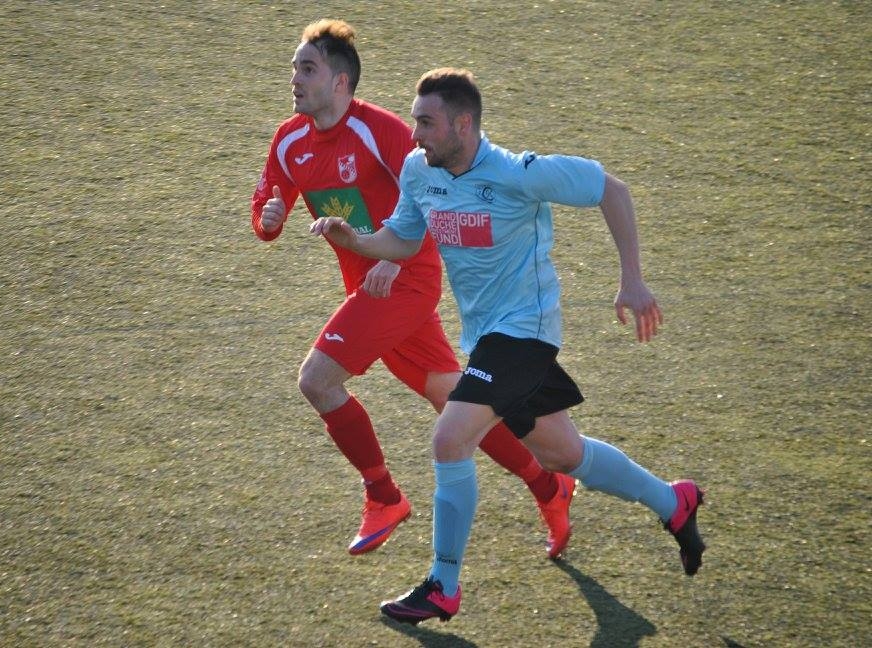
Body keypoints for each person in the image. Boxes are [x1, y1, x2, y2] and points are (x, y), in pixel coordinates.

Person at [310, 67, 706, 624]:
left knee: (450, 438)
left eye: (427, 122)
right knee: (563, 454)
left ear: (464, 124)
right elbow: (402, 237)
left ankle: (443, 585)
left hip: (525, 334)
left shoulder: (519, 173)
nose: (415, 132)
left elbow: (611, 190)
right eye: (415, 120)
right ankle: (674, 501)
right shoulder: (420, 171)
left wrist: (632, 280)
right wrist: (355, 239)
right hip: (487, 341)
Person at [251, 21, 576, 559]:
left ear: (340, 82)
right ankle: (550, 485)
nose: (295, 78)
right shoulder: (289, 141)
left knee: (317, 380)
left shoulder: (378, 130)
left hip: (406, 279)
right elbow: (265, 210)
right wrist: (272, 215)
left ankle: (384, 496)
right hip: (366, 284)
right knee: (453, 399)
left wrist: (396, 264)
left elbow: (440, 189)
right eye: (294, 68)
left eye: (307, 68)